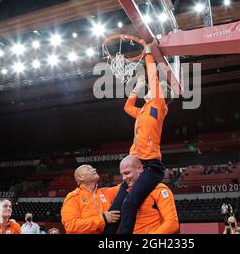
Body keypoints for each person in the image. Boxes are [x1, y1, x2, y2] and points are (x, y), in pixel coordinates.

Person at [112, 44, 170, 234]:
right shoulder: (143, 111)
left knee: (129, 205)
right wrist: (137, 87)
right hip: (138, 164)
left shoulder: (158, 106)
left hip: (151, 166)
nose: (156, 85)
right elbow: (128, 108)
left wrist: (148, 54)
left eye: (160, 87)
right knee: (115, 208)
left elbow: (153, 77)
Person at [105, 155, 179, 234]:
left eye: (127, 173)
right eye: (122, 174)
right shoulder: (122, 191)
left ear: (139, 168)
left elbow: (172, 223)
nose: (124, 178)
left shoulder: (159, 190)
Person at [61, 164, 120, 234]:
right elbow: (71, 226)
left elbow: (127, 185)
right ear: (80, 177)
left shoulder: (106, 192)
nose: (94, 169)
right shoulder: (74, 197)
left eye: (93, 168)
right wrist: (103, 219)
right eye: (89, 169)